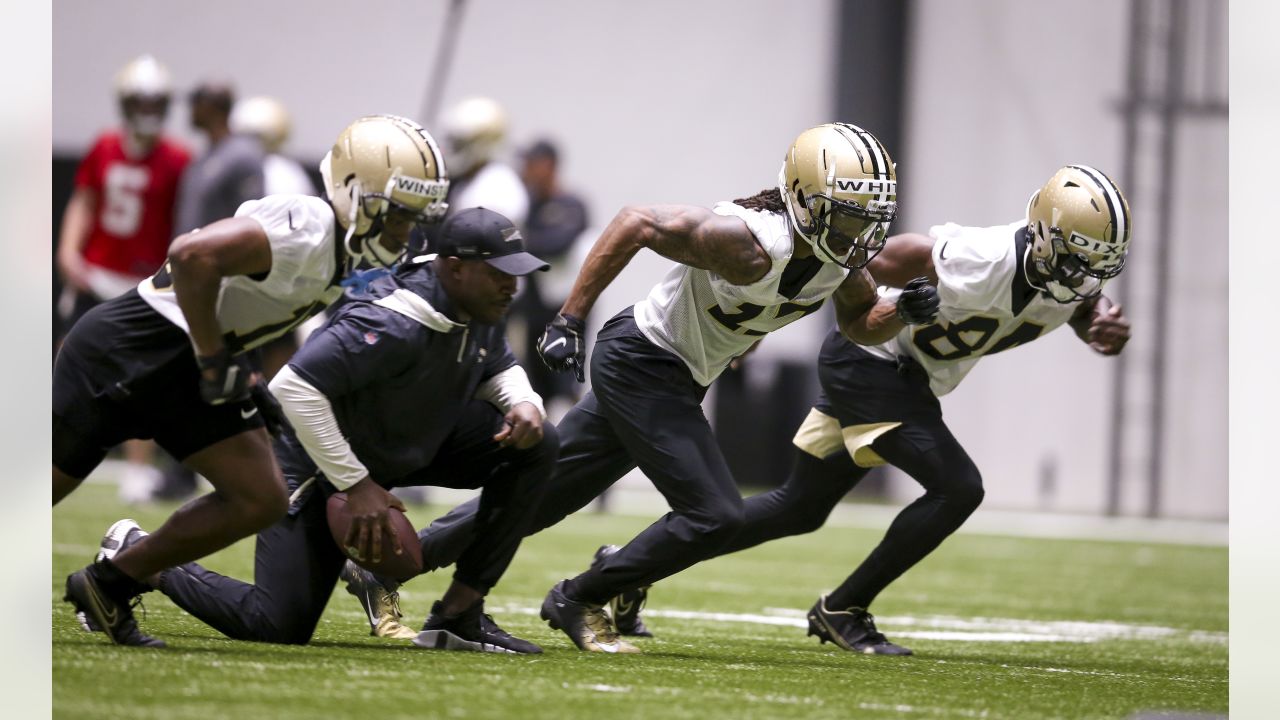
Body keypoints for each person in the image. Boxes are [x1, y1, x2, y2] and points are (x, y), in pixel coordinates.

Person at [344, 123, 942, 652]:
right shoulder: (748, 243)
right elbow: (635, 221)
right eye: (848, 214)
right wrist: (568, 319)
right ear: (806, 202)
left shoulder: (836, 259)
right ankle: (582, 595)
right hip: (643, 360)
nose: (859, 230)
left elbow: (859, 324)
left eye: (869, 217)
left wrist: (901, 310)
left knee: (543, 494)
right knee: (716, 514)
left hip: (675, 371)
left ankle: (392, 572)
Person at [615, 165, 1134, 655]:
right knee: (959, 487)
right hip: (869, 363)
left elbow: (1081, 306)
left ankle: (627, 567)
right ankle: (843, 608)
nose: (1085, 276)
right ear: (1043, 238)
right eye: (1076, 260)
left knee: (799, 507)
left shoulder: (1065, 277)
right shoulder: (983, 256)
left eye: (1096, 265)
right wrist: (819, 296)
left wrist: (1099, 325)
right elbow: (871, 261)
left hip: (901, 378)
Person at [56, 114, 451, 647]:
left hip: (188, 361)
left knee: (261, 499)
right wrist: (216, 358)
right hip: (130, 348)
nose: (405, 232)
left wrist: (231, 366)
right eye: (398, 216)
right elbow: (191, 255)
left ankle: (110, 581)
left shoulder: (349, 250)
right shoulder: (310, 223)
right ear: (357, 195)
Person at [89, 208, 556, 653]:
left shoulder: (477, 306)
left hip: (405, 439)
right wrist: (356, 484)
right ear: (454, 269)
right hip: (322, 461)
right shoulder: (389, 319)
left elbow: (499, 363)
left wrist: (525, 403)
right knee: (277, 625)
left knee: (538, 444)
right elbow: (292, 388)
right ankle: (139, 556)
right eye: (500, 273)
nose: (511, 286)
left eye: (514, 274)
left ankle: (459, 614)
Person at [54, 55, 192, 504]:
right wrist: (68, 250)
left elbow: (181, 219)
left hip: (142, 281)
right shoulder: (105, 145)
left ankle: (137, 470)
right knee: (67, 362)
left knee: (140, 377)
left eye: (155, 100)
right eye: (141, 100)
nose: (148, 109)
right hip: (95, 271)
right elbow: (85, 200)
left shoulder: (177, 157)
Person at [512, 139, 590, 413]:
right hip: (533, 311)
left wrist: (523, 242)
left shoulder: (571, 204)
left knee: (567, 386)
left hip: (565, 312)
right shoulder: (527, 204)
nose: (525, 170)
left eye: (531, 163)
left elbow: (558, 243)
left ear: (549, 165)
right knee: (535, 386)